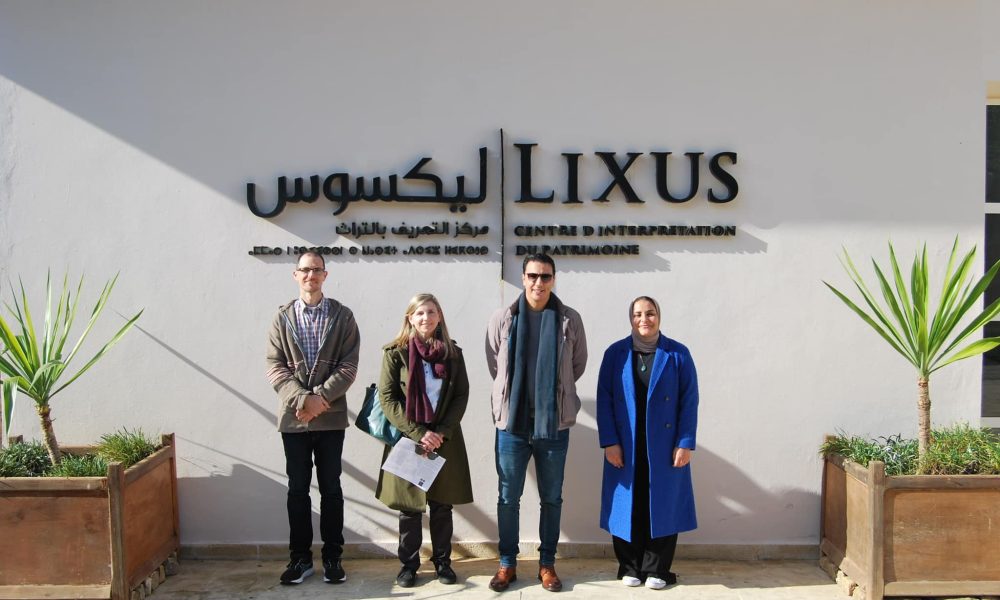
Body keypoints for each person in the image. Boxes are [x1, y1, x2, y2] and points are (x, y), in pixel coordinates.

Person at [484, 254, 587, 593]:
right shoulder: (503, 318)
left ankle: (547, 564)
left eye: (545, 276)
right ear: (523, 278)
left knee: (552, 498)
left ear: (553, 279)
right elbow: (495, 363)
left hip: (553, 425)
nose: (538, 283)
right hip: (512, 425)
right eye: (532, 276)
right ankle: (507, 563)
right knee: (507, 498)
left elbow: (576, 365)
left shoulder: (569, 320)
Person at [266, 251, 360, 585]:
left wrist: (320, 399)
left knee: (331, 489)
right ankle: (300, 560)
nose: (311, 275)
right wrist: (303, 399)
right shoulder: (282, 318)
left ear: (325, 275)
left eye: (316, 270)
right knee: (297, 490)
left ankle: (333, 558)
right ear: (296, 275)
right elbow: (274, 365)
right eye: (305, 270)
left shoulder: (343, 316)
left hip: (331, 420)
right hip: (294, 420)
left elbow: (349, 366)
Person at [596, 296, 698, 590]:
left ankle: (657, 569)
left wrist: (685, 442)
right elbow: (604, 400)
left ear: (659, 316)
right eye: (638, 314)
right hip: (625, 445)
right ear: (631, 319)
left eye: (650, 313)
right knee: (628, 505)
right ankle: (629, 566)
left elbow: (689, 401)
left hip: (664, 446)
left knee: (662, 505)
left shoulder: (678, 354)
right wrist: (609, 441)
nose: (644, 319)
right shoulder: (615, 353)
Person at [376, 293, 473, 588]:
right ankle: (408, 566)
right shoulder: (395, 353)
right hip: (410, 438)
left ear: (439, 316)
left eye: (431, 312)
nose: (425, 318)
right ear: (410, 317)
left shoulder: (452, 353)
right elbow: (387, 398)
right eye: (419, 313)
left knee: (442, 506)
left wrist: (440, 431)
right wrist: (420, 433)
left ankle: (443, 563)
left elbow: (460, 395)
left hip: (444, 439)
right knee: (410, 508)